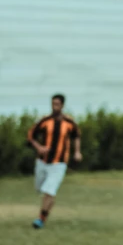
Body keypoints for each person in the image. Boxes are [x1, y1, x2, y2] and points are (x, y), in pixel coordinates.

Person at [27, 94, 82, 229]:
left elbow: (76, 136)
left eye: (57, 104)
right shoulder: (45, 121)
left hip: (59, 163)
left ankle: (41, 219)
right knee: (40, 188)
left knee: (49, 191)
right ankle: (47, 208)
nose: (54, 106)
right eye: (53, 104)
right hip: (42, 162)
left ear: (62, 105)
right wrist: (39, 147)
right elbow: (31, 136)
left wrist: (77, 152)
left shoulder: (69, 122)